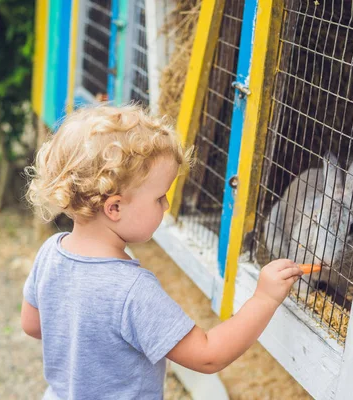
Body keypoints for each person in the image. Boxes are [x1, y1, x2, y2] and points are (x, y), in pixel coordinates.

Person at [22, 105, 302, 399]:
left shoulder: (50, 254)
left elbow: (31, 325)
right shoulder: (132, 289)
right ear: (114, 208)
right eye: (159, 197)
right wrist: (264, 298)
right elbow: (207, 355)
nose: (166, 206)